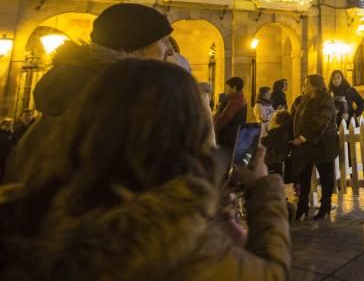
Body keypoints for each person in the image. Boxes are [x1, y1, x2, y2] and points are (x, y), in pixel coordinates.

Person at [0, 58, 290, 279]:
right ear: (187, 128)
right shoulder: (178, 235)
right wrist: (261, 190)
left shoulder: (24, 208)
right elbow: (272, 274)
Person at [2, 3, 174, 182]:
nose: (169, 50)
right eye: (164, 41)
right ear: (136, 46)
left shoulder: (79, 93)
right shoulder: (117, 103)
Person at [291, 74, 339, 221]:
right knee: (303, 177)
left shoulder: (325, 99)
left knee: (325, 177)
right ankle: (302, 206)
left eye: (307, 83)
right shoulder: (305, 99)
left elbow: (321, 122)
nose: (304, 86)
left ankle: (325, 206)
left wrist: (303, 137)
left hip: (322, 145)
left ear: (315, 85)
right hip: (306, 148)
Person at [214, 77, 247, 153]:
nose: (226, 90)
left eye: (227, 88)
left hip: (228, 139)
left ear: (234, 87)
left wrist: (214, 127)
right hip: (233, 138)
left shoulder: (235, 102)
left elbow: (222, 120)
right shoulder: (239, 99)